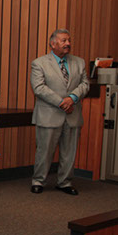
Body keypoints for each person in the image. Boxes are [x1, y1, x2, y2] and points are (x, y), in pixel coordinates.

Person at [30, 29, 89, 195]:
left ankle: (65, 182)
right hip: (49, 114)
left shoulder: (79, 62)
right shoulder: (39, 63)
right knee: (44, 151)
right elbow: (39, 88)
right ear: (53, 43)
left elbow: (85, 84)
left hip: (73, 114)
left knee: (69, 152)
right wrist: (62, 102)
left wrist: (72, 98)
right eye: (63, 41)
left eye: (69, 40)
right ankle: (38, 181)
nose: (68, 44)